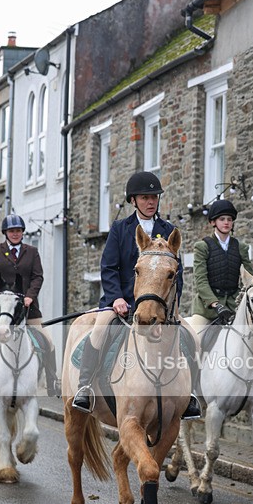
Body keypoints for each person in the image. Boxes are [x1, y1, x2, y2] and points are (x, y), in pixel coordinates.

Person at [72, 171, 201, 417]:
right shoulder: (121, 229)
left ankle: (191, 394)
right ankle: (85, 387)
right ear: (133, 200)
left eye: (154, 197)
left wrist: (169, 309)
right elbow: (109, 268)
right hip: (121, 303)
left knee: (191, 337)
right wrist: (116, 298)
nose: (151, 202)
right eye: (145, 197)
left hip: (160, 308)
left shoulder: (169, 230)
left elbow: (178, 276)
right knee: (99, 330)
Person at [187, 199, 253, 409]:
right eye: (222, 219)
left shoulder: (241, 247)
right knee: (193, 340)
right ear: (214, 222)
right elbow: (200, 280)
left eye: (229, 220)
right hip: (206, 308)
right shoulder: (202, 247)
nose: (226, 223)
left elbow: (248, 278)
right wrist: (214, 304)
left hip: (233, 306)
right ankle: (190, 393)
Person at [0, 214, 60, 396]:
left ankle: (51, 381)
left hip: (28, 307)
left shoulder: (31, 251)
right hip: (2, 308)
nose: (15, 234)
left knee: (47, 342)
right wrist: (0, 296)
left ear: (22, 232)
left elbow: (37, 276)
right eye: (11, 231)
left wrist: (30, 296)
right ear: (5, 233)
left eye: (18, 230)